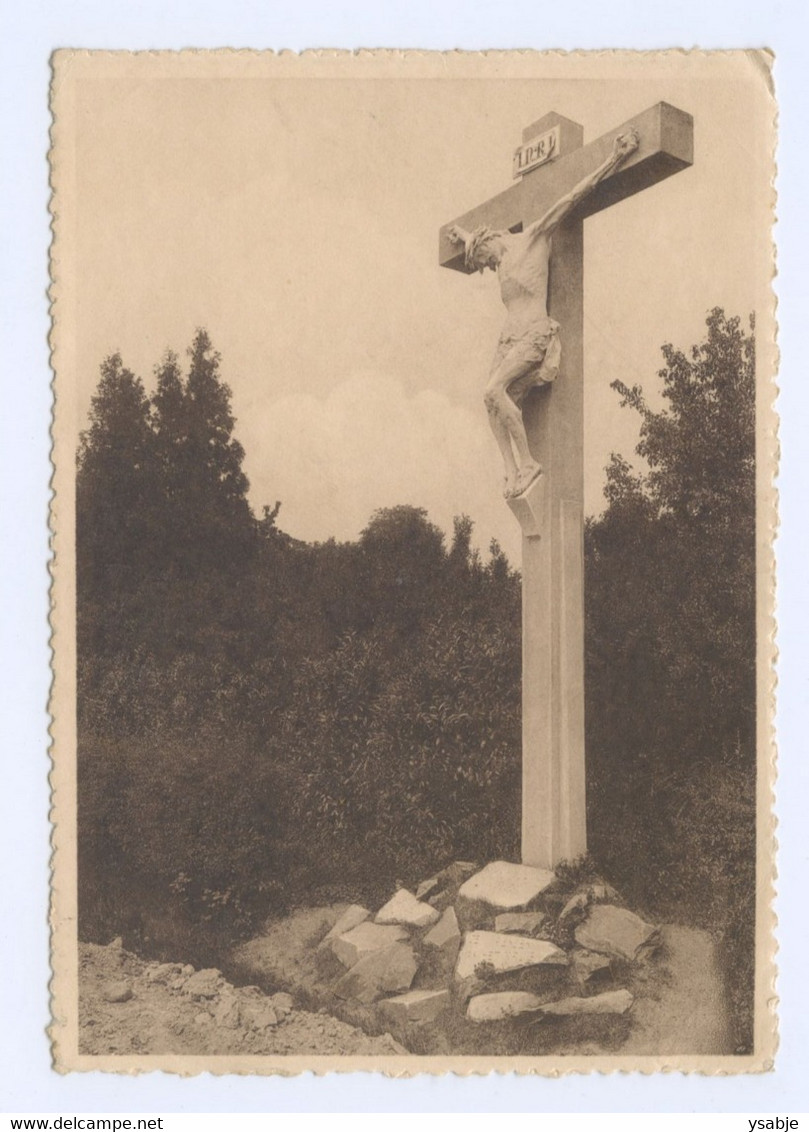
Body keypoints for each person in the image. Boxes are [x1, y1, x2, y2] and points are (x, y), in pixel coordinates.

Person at [448, 128, 639, 498]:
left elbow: (571, 197)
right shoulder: (499, 260)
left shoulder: (533, 238)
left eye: (483, 260)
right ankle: (511, 471)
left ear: (489, 242)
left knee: (493, 388)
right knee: (490, 401)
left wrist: (615, 158)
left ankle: (528, 464)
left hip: (534, 332)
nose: (487, 268)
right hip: (509, 337)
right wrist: (460, 234)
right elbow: (475, 238)